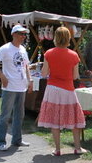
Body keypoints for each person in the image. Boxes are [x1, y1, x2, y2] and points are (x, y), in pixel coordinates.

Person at [37, 26, 87, 156]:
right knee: (74, 118)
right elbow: (76, 76)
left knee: (54, 119)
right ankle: (77, 148)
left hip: (52, 89)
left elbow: (44, 73)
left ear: (55, 38)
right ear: (68, 38)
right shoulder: (74, 55)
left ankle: (58, 149)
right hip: (68, 89)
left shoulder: (48, 53)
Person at [0, 24, 33, 151]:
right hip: (9, 87)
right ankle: (1, 141)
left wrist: (30, 80)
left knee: (19, 114)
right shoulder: (5, 48)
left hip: (21, 87)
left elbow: (26, 66)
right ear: (13, 34)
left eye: (24, 34)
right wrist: (2, 76)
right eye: (20, 34)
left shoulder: (22, 49)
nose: (23, 36)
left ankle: (17, 139)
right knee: (5, 115)